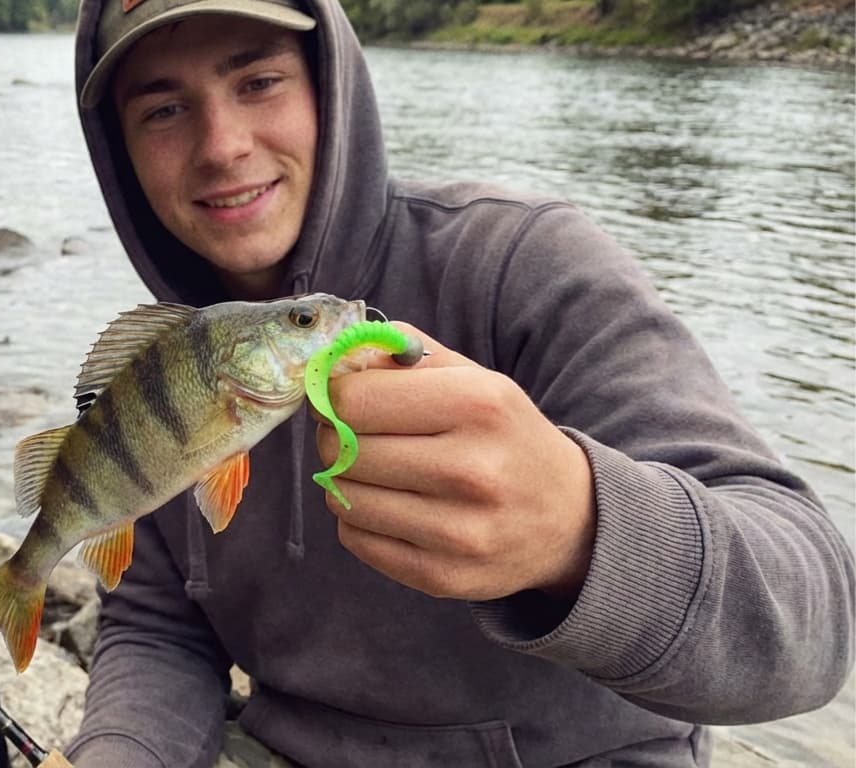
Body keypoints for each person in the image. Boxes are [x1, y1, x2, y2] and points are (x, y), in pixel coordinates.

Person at [62, 0, 856, 764]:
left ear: (329, 87)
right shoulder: (153, 373)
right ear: (119, 152)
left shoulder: (523, 264)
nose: (221, 145)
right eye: (163, 111)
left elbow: (812, 630)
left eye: (259, 81)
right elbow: (159, 628)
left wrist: (576, 529)